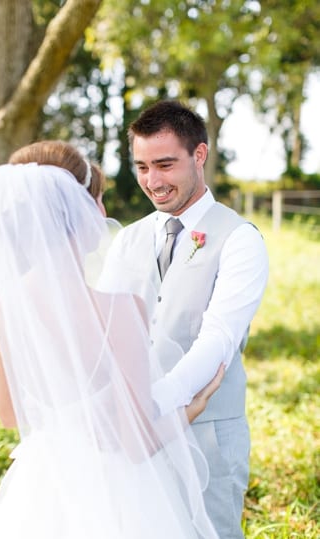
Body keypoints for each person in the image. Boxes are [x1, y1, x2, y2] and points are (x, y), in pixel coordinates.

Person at [0, 141, 223, 538]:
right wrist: (194, 406)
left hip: (42, 488)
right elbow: (136, 444)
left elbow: (11, 415)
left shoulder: (6, 311)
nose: (103, 212)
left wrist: (71, 416)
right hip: (117, 491)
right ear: (81, 211)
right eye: (99, 200)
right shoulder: (121, 311)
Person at [100, 101, 269, 538]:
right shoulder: (128, 241)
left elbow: (219, 339)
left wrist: (155, 403)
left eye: (165, 164)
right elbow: (105, 336)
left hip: (208, 438)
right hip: (136, 438)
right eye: (141, 166)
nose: (152, 181)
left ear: (199, 156)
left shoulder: (240, 240)